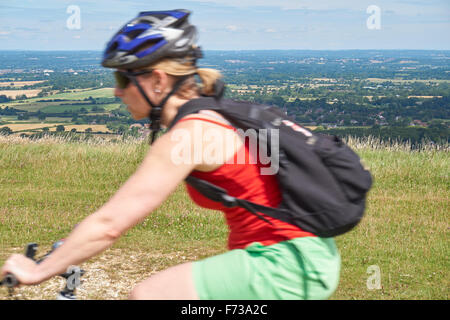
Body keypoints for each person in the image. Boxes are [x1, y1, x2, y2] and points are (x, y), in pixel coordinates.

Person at [0, 9, 340, 300]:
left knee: (150, 296)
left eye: (123, 77)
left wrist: (38, 270)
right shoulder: (214, 114)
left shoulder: (188, 135)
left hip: (284, 265)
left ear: (158, 81)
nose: (117, 91)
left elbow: (109, 225)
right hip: (303, 258)